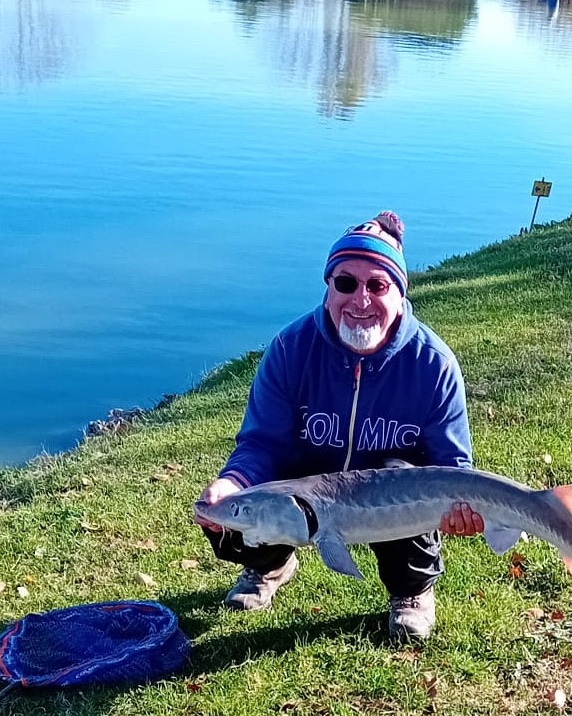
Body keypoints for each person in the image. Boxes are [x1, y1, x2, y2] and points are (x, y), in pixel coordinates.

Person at [192, 212, 482, 640]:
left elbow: (452, 466)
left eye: (377, 285)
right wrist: (233, 482)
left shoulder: (433, 363)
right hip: (304, 485)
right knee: (235, 508)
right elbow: (262, 444)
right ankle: (269, 564)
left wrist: (463, 507)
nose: (360, 299)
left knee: (402, 477)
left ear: (399, 293)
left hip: (391, 490)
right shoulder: (291, 349)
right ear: (328, 288)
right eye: (346, 283)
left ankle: (412, 592)